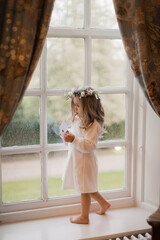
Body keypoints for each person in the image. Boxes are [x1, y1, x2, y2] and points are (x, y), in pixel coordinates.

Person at [62, 87, 111, 224]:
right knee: (87, 187)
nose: (75, 109)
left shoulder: (93, 125)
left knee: (85, 189)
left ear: (89, 107)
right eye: (75, 105)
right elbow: (73, 137)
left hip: (85, 162)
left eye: (79, 105)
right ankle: (104, 204)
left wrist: (73, 139)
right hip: (77, 160)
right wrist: (67, 137)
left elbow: (89, 145)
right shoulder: (77, 120)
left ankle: (84, 217)